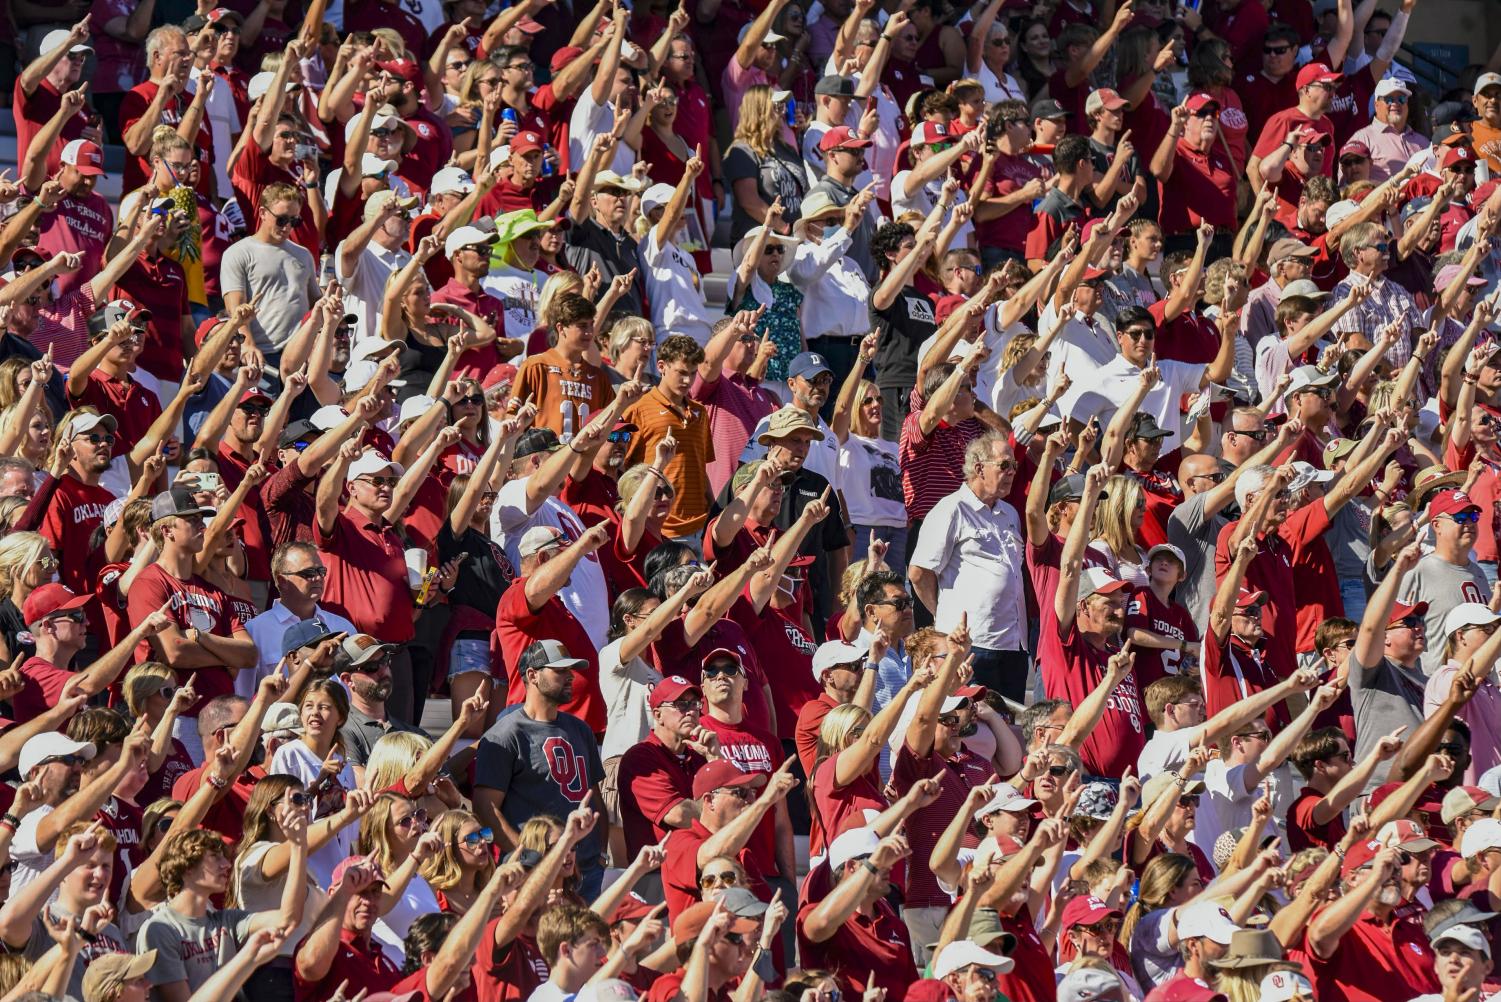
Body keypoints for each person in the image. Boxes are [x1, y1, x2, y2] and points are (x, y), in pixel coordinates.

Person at [473, 639, 607, 899]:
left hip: (587, 870)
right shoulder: (505, 734)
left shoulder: (580, 729)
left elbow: (594, 795)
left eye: (571, 670)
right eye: (560, 670)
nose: (570, 677)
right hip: (535, 873)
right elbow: (485, 808)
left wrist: (600, 853)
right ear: (532, 675)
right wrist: (527, 859)